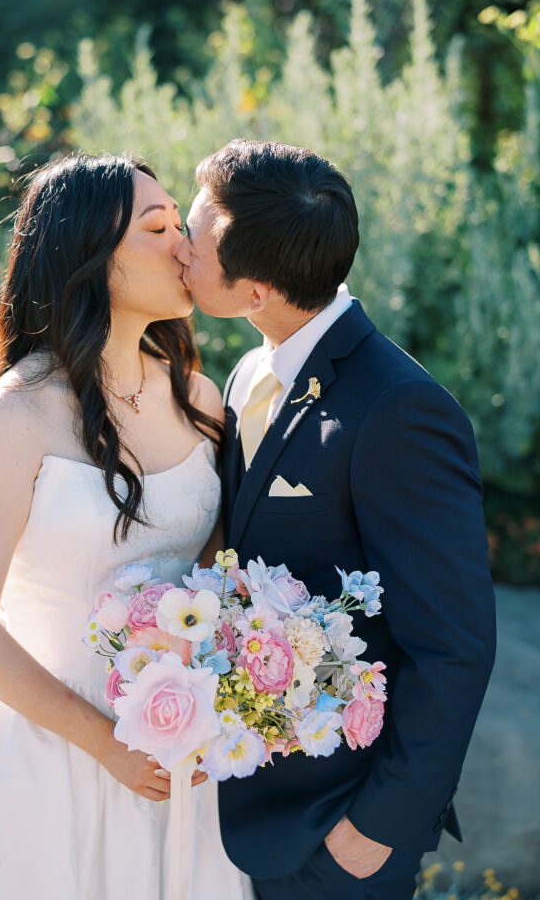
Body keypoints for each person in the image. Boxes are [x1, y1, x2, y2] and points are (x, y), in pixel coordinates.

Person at [0, 153, 254, 900]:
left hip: (173, 744)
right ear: (89, 257)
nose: (185, 245)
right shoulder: (14, 416)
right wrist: (105, 744)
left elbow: (215, 567)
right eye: (158, 226)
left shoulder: (200, 398)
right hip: (39, 747)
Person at [176, 139, 497, 900]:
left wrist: (379, 827)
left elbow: (455, 647)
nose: (180, 255)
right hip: (247, 808)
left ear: (254, 291)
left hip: (339, 826)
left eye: (191, 241)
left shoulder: (399, 411)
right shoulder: (253, 368)